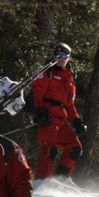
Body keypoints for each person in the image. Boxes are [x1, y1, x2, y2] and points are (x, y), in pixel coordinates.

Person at [30, 43, 85, 182]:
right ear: (54, 56)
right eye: (58, 55)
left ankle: (62, 179)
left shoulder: (69, 77)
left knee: (75, 147)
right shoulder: (47, 72)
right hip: (48, 117)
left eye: (64, 56)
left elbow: (69, 104)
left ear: (68, 58)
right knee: (49, 149)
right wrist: (40, 112)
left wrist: (76, 121)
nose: (61, 59)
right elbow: (37, 93)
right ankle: (41, 181)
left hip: (61, 119)